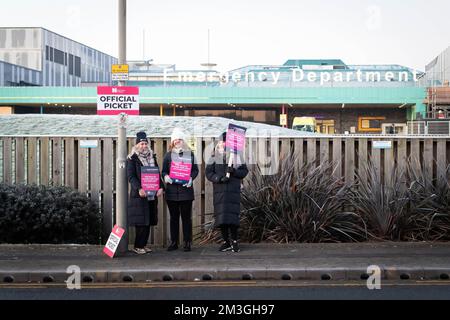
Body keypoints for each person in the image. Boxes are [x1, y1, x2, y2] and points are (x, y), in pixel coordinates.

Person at [206, 132, 249, 252]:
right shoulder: (214, 157)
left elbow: (244, 171)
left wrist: (234, 171)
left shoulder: (236, 157)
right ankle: (226, 242)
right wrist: (219, 179)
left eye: (225, 141)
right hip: (220, 192)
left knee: (232, 219)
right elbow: (209, 173)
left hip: (232, 192)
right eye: (221, 141)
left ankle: (234, 241)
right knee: (222, 219)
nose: (223, 144)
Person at [162, 128, 199, 252]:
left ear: (183, 141)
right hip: (171, 192)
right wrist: (166, 176)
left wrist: (190, 178)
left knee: (186, 218)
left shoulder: (190, 154)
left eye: (180, 139)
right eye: (175, 139)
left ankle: (187, 242)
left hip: (186, 192)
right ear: (172, 142)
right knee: (173, 218)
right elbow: (163, 171)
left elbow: (195, 170)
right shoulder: (168, 155)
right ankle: (174, 242)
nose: (178, 141)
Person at [127, 131, 164, 255]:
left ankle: (143, 244)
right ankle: (137, 246)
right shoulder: (132, 158)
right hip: (140, 195)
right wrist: (139, 188)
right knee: (141, 222)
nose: (144, 146)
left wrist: (161, 187)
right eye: (141, 144)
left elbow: (157, 173)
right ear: (137, 145)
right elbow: (131, 176)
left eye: (145, 143)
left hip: (152, 194)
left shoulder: (152, 157)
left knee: (148, 220)